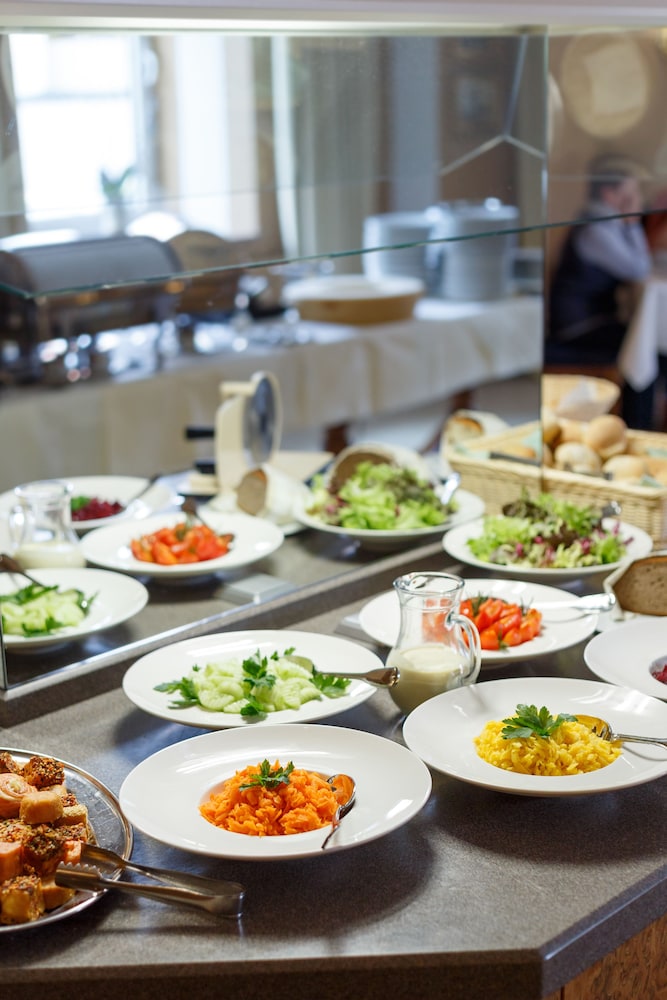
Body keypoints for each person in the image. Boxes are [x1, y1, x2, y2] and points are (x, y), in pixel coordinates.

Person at [547, 156, 659, 428]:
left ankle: (638, 425)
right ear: (610, 194)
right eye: (631, 192)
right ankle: (637, 428)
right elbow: (639, 268)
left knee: (647, 345)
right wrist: (633, 223)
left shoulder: (601, 222)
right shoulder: (597, 229)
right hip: (578, 330)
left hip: (590, 322)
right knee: (647, 349)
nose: (638, 199)